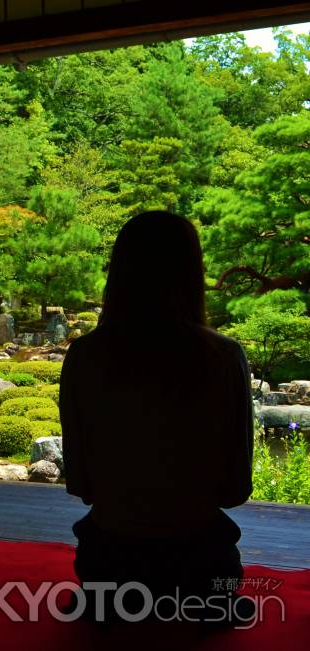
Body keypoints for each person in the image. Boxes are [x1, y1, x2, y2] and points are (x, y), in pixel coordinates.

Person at [59, 210, 254, 625]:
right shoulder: (223, 357)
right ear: (191, 273)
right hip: (199, 568)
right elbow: (235, 489)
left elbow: (80, 483)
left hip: (108, 566)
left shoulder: (85, 356)